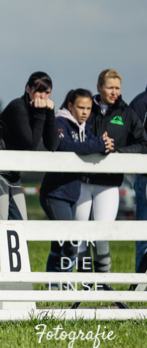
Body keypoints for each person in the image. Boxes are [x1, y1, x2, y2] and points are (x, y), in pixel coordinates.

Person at [77, 69, 147, 275]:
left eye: (117, 88)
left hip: (108, 184)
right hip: (82, 181)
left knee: (102, 237)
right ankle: (84, 286)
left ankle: (101, 284)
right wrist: (95, 145)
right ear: (99, 87)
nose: (114, 92)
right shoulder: (87, 109)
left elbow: (143, 144)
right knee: (80, 235)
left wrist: (119, 152)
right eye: (110, 87)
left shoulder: (127, 114)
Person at [39, 89, 112, 273]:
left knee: (59, 243)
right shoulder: (60, 121)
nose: (85, 112)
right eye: (80, 107)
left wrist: (106, 146)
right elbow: (65, 146)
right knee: (71, 242)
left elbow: (93, 142)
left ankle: (54, 286)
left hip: (73, 193)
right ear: (70, 106)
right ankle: (65, 282)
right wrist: (98, 145)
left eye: (88, 108)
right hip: (55, 193)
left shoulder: (84, 127)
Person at [0, 71, 60, 220]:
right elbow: (31, 145)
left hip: (13, 176)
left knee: (22, 225)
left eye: (47, 92)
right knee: (0, 222)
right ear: (28, 89)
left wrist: (50, 114)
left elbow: (52, 145)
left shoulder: (39, 111)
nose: (43, 97)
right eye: (39, 91)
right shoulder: (17, 107)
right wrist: (40, 114)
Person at [130, 84, 147, 272]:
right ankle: (142, 282)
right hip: (145, 175)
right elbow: (137, 142)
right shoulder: (141, 103)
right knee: (145, 231)